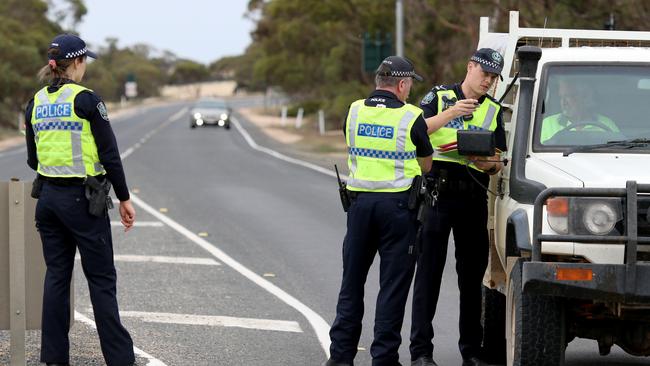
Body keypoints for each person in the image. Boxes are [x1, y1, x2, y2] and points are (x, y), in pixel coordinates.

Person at [24, 34, 136, 366]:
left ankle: (54, 359)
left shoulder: (36, 102)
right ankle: (119, 360)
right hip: (83, 202)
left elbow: (33, 159)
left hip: (47, 201)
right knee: (101, 279)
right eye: (85, 61)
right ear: (77, 62)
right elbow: (110, 155)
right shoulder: (87, 100)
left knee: (56, 276)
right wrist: (125, 198)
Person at [324, 56, 433, 366]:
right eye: (410, 84)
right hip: (398, 209)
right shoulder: (411, 116)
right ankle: (383, 359)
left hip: (359, 208)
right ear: (401, 84)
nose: (410, 91)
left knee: (351, 283)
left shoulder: (355, 110)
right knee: (392, 288)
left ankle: (340, 357)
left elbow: (350, 143)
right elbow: (426, 163)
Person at [409, 48, 508, 366]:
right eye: (485, 74)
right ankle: (421, 352)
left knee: (471, 278)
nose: (488, 81)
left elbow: (498, 163)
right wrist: (451, 114)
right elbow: (415, 131)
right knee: (428, 275)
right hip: (437, 192)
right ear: (470, 68)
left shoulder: (493, 109)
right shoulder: (439, 96)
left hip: (473, 194)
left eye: (494, 77)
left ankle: (471, 351)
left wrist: (486, 161)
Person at [541, 79, 619, 143]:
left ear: (585, 97)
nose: (564, 102)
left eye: (569, 96)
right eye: (561, 97)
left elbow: (619, 148)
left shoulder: (606, 124)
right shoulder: (547, 124)